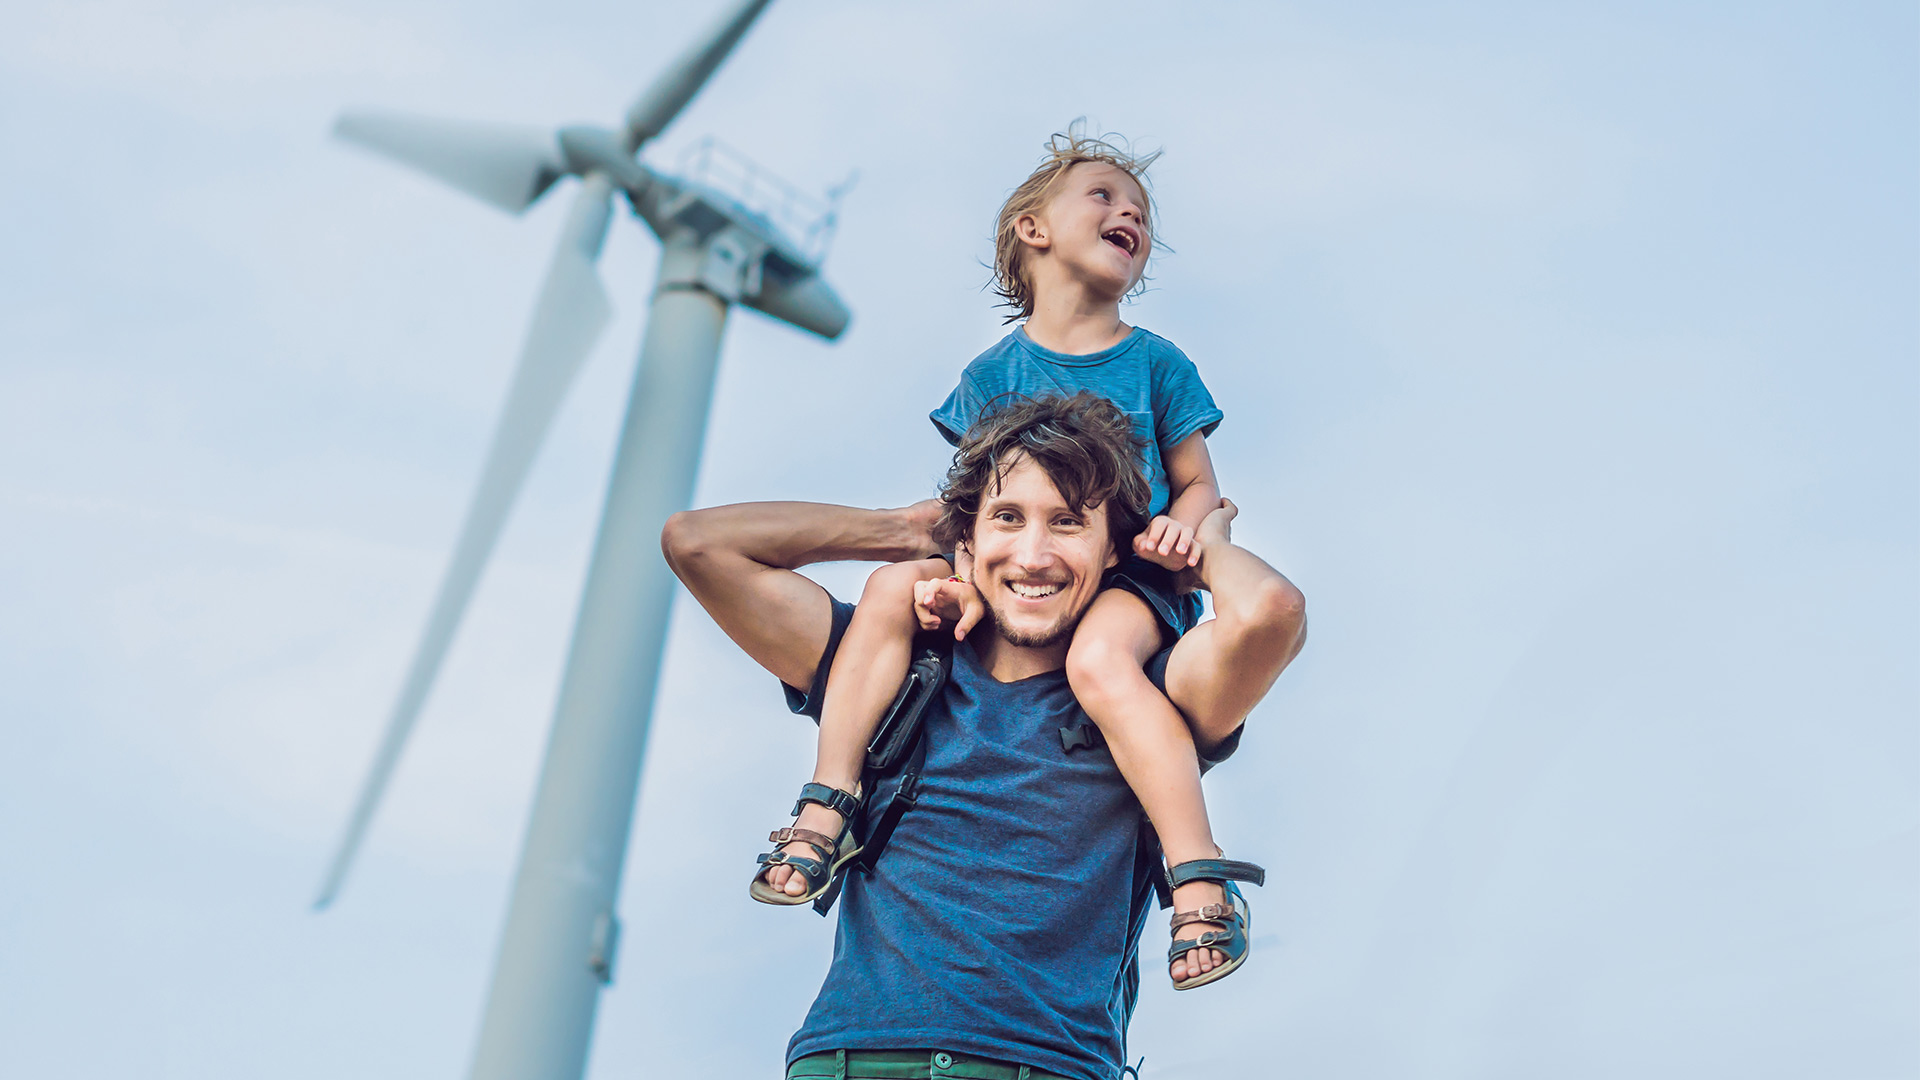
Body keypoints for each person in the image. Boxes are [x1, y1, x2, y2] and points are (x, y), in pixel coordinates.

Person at [661, 392, 1306, 1080]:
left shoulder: (1147, 696)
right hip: (849, 1059)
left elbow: (1271, 612)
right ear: (965, 541)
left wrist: (1197, 552)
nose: (1033, 555)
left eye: (1067, 522)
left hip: (1045, 1066)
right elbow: (697, 543)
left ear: (1113, 548)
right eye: (1007, 518)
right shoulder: (885, 672)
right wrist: (908, 532)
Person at [750, 124, 1250, 989]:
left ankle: (1195, 871)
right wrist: (951, 585)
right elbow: (975, 508)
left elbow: (1198, 482)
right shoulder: (991, 374)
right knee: (887, 587)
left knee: (1100, 663)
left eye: (1138, 210)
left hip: (1133, 574)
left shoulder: (1159, 363)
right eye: (1102, 195)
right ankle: (829, 798)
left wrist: (1187, 529)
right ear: (1033, 229)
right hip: (1019, 569)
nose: (1127, 211)